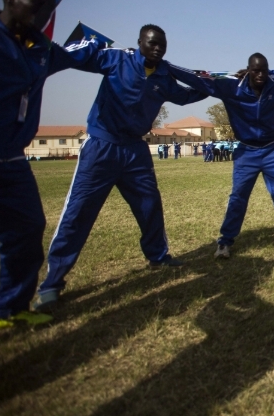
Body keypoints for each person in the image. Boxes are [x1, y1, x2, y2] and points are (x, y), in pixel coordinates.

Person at [35, 24, 206, 311]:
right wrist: (77, 47)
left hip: (135, 151)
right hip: (101, 146)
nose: (157, 49)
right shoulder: (118, 59)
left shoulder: (164, 76)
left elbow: (186, 95)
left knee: (150, 205)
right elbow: (81, 58)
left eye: (162, 45)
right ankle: (52, 283)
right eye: (152, 43)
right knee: (78, 212)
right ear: (139, 42)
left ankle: (158, 256)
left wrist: (215, 86)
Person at [0, 0, 104, 329]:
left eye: (47, 8)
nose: (42, 13)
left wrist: (125, 57)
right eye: (34, 4)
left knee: (27, 230)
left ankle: (9, 309)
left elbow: (84, 55)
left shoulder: (41, 50)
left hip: (10, 160)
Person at [169, 54, 274, 257]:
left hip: (273, 148)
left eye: (264, 70)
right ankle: (225, 241)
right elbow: (199, 79)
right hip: (246, 151)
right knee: (238, 196)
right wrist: (168, 67)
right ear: (248, 70)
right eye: (256, 70)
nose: (260, 75)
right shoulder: (231, 86)